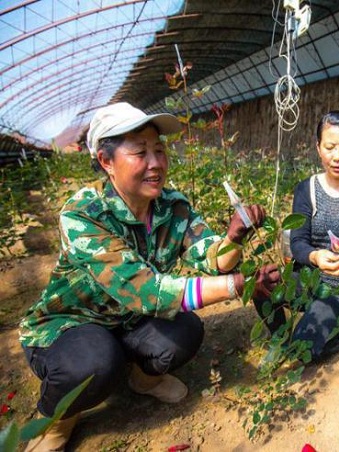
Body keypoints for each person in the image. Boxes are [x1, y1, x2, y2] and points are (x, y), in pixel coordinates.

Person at [18, 102, 280, 451]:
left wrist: (233, 237)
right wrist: (238, 286)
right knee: (95, 361)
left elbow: (211, 258)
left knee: (185, 331)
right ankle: (55, 422)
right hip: (71, 325)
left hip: (128, 319)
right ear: (106, 161)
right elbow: (144, 290)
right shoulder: (83, 214)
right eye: (140, 152)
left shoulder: (172, 206)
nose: (156, 163)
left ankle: (143, 379)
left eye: (159, 150)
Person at [253, 111, 339, 362]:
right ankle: (280, 338)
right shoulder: (306, 189)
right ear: (318, 148)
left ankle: (327, 332)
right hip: (306, 277)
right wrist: (315, 255)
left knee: (304, 352)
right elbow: (298, 242)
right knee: (261, 285)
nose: (337, 156)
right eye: (330, 147)